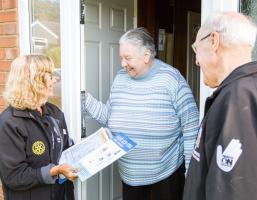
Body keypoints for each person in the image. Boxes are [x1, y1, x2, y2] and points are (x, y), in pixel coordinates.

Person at [82, 27, 199, 200]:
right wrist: (84, 99)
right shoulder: (120, 77)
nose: (123, 64)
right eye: (121, 58)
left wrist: (192, 174)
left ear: (146, 55)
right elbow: (109, 117)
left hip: (166, 175)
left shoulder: (172, 79)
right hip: (130, 176)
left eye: (127, 58)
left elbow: (191, 127)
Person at [183, 12, 257, 200]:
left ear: (214, 41)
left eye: (196, 49)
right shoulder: (244, 88)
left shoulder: (238, 98)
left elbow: (234, 188)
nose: (197, 61)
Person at [0, 55, 78, 200]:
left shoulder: (54, 113)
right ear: (32, 81)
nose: (54, 80)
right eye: (48, 76)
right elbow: (13, 176)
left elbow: (65, 148)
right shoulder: (9, 122)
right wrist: (55, 171)